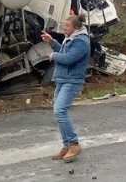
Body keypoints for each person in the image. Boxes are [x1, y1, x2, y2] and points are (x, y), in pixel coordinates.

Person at [41, 14, 91, 163]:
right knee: (58, 113)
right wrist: (52, 42)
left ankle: (74, 144)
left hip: (72, 80)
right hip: (63, 79)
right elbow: (65, 52)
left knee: (60, 111)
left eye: (67, 26)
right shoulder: (72, 37)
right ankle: (66, 145)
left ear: (75, 27)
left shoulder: (81, 41)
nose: (64, 27)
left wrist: (54, 55)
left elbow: (68, 59)